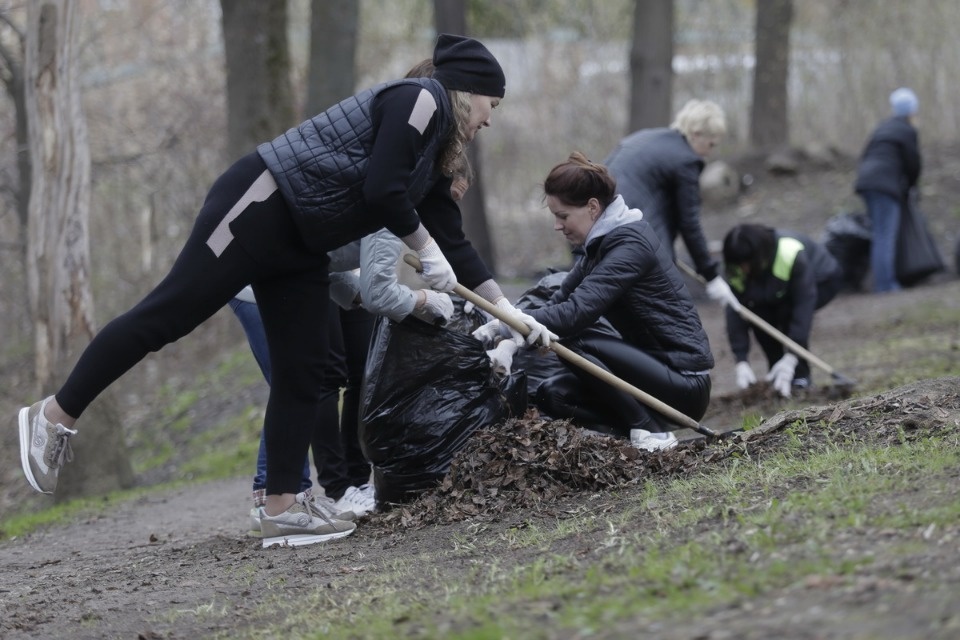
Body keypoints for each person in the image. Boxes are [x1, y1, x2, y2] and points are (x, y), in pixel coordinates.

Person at [17, 33, 552, 549]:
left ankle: (281, 506)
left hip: (301, 243)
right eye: (491, 104)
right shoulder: (420, 100)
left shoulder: (433, 153)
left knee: (306, 369)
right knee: (167, 316)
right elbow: (382, 190)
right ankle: (54, 416)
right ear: (468, 91)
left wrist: (508, 311)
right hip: (257, 209)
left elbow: (453, 239)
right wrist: (424, 248)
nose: (488, 119)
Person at [477, 152, 714, 452]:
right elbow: (557, 300)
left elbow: (573, 315)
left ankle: (651, 431)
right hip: (650, 377)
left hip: (684, 383)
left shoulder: (630, 245)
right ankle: (632, 439)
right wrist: (507, 338)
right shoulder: (599, 247)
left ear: (592, 207)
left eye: (563, 216)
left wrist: (506, 324)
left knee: (572, 335)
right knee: (554, 394)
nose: (557, 226)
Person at [603, 99, 739, 311]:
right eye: (711, 144)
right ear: (696, 134)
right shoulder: (686, 160)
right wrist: (711, 276)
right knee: (665, 308)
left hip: (598, 222)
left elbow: (669, 213)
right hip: (631, 235)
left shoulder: (645, 137)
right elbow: (689, 223)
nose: (709, 152)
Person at [722, 223, 844, 398]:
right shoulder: (735, 267)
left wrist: (792, 357)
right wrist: (741, 359)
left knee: (786, 313)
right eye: (739, 264)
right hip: (776, 287)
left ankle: (800, 377)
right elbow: (736, 310)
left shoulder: (789, 254)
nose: (743, 269)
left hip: (823, 279)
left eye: (746, 263)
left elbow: (802, 308)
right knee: (760, 314)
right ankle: (777, 371)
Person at [854, 87, 922, 293]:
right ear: (911, 110)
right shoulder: (907, 130)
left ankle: (882, 281)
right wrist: (911, 186)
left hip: (866, 182)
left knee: (879, 233)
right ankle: (885, 285)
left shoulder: (883, 127)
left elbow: (866, 155)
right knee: (885, 235)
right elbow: (913, 162)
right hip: (884, 186)